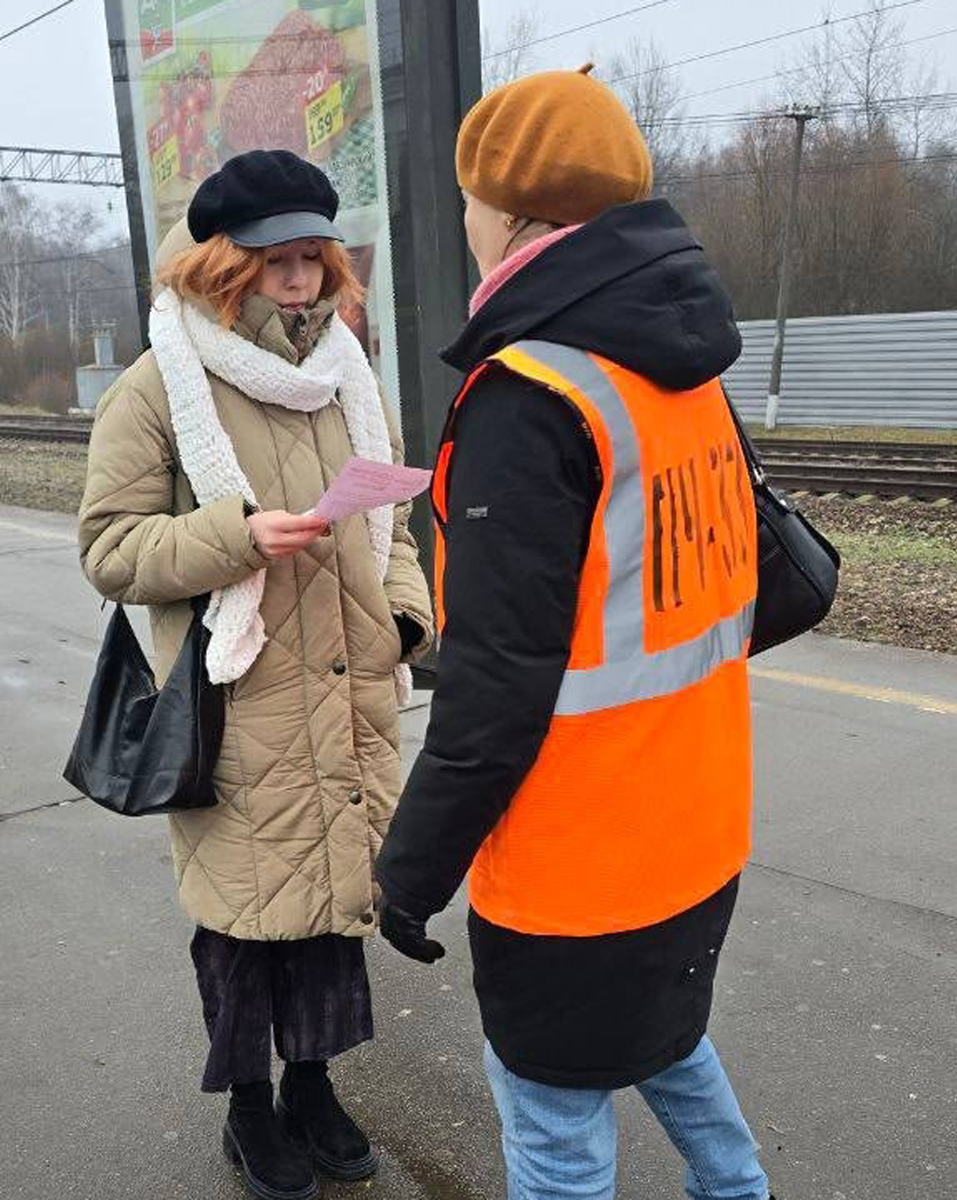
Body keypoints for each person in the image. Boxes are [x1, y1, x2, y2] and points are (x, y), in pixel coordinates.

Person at [374, 67, 775, 1200]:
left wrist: (409, 872)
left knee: (553, 1125)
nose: (463, 222)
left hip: (575, 859)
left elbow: (494, 688)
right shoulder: (684, 367)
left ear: (512, 211)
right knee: (660, 1034)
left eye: (468, 200)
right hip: (697, 827)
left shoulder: (530, 394)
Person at [78, 149, 432, 1200]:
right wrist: (234, 535)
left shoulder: (348, 377)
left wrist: (403, 619)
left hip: (347, 687)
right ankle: (248, 1112)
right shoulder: (157, 385)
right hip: (238, 703)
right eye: (273, 259)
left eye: (312, 257)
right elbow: (109, 549)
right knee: (245, 923)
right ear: (222, 264)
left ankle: (313, 1088)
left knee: (329, 912)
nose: (297, 278)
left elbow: (392, 520)